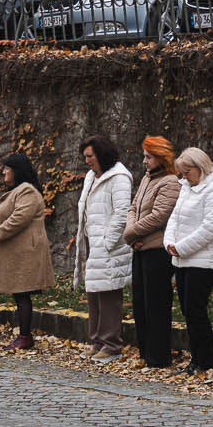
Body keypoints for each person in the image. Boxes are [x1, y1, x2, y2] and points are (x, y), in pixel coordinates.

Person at [165, 147, 213, 375]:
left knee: (196, 310)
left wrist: (181, 247)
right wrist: (169, 242)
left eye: (186, 172)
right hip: (182, 259)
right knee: (188, 311)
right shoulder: (187, 187)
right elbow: (174, 217)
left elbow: (210, 228)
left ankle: (206, 362)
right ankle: (196, 360)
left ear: (199, 168)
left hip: (204, 262)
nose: (183, 177)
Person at [72, 135, 133, 363]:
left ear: (102, 154)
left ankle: (111, 344)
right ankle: (97, 341)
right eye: (85, 157)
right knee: (94, 293)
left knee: (108, 295)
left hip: (109, 246)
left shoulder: (119, 178)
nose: (86, 161)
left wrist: (108, 242)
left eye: (90, 156)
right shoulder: (91, 176)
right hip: (92, 242)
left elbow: (121, 213)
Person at [124, 136, 181, 368]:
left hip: (157, 251)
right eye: (144, 156)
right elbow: (134, 207)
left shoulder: (170, 182)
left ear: (160, 157)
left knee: (156, 304)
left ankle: (158, 356)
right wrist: (132, 233)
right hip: (140, 247)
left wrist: (131, 234)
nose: (144, 161)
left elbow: (159, 216)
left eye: (148, 156)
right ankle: (145, 351)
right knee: (140, 301)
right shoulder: (147, 179)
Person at [0, 154, 53, 351]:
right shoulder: (19, 191)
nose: (3, 172)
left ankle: (25, 336)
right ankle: (23, 335)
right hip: (18, 252)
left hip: (26, 253)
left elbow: (19, 219)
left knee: (22, 294)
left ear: (17, 170)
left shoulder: (27, 191)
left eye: (7, 168)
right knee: (19, 295)